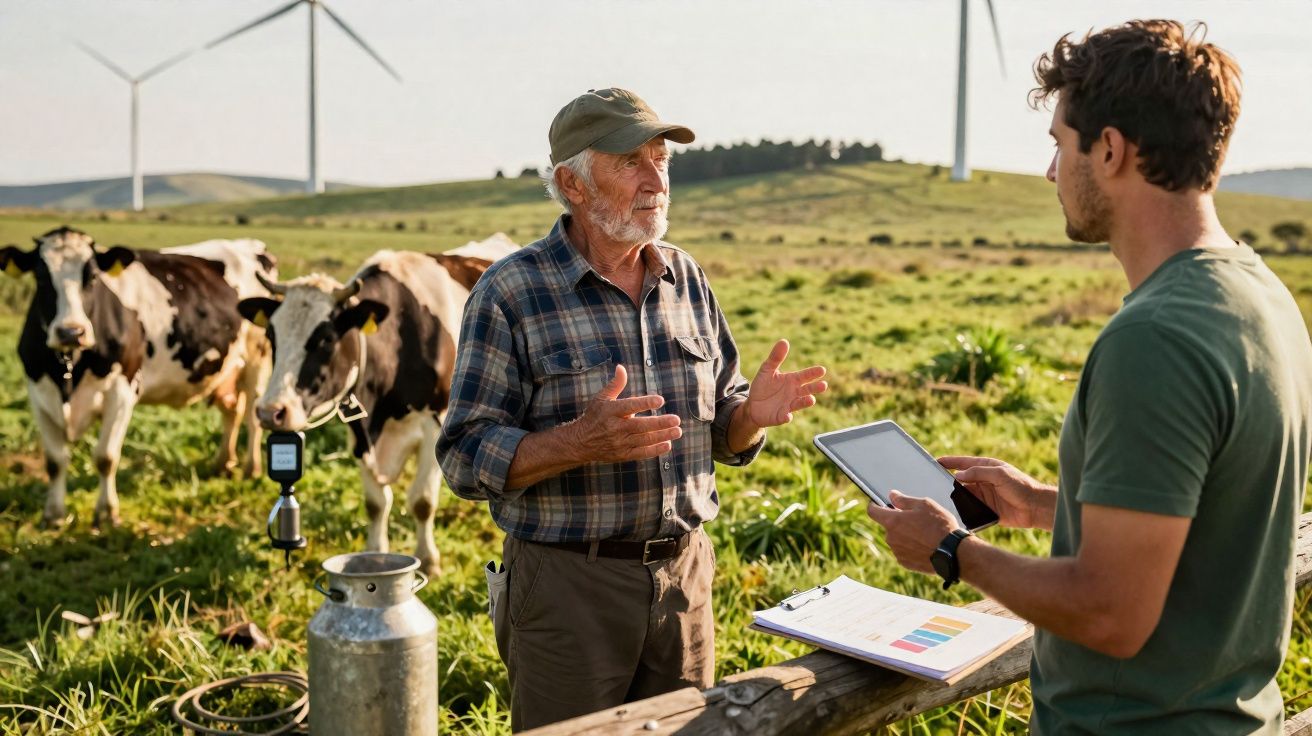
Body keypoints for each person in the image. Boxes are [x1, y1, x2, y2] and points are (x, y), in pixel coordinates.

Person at [865, 20, 1312, 734]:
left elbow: (1111, 613)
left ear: (1109, 150)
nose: (1049, 171)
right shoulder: (1261, 296)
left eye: (1058, 143)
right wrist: (1045, 503)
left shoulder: (1155, 338)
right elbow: (1211, 511)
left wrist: (953, 550)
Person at [436, 87, 827, 731]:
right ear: (573, 183)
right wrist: (576, 443)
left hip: (684, 579)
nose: (656, 181)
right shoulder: (510, 292)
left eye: (662, 160)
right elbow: (462, 458)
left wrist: (749, 416)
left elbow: (720, 424)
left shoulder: (686, 277)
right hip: (568, 587)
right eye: (630, 162)